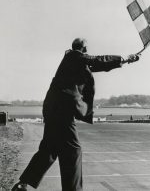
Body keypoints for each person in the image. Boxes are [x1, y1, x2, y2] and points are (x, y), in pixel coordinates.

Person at [12, 38, 139, 191]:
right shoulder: (74, 56)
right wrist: (124, 57)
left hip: (53, 108)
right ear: (84, 48)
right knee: (73, 151)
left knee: (49, 149)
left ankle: (22, 184)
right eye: (87, 50)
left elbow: (100, 65)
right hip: (62, 109)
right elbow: (97, 61)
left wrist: (125, 61)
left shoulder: (74, 61)